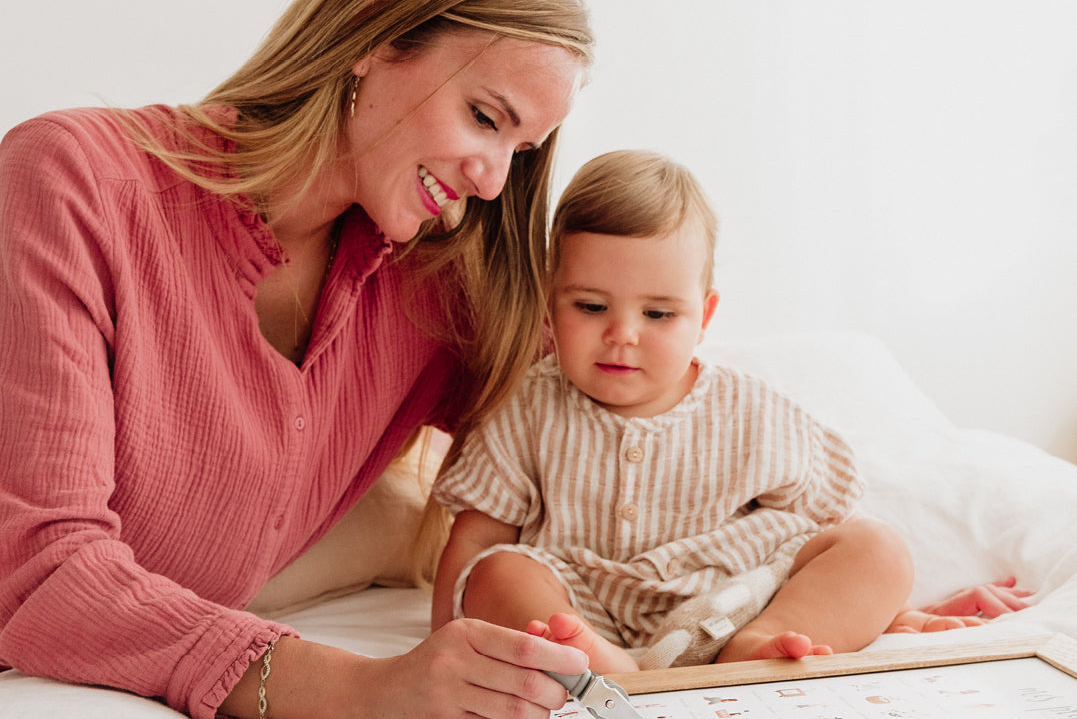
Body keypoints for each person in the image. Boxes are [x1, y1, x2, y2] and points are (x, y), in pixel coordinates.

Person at [0, 0, 597, 719]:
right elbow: (42, 576)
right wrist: (357, 694)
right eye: (485, 118)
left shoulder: (432, 293)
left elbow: (621, 418)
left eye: (520, 152)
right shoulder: (77, 179)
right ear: (376, 34)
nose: (492, 181)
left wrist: (769, 600)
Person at [430, 150, 1031, 674]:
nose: (622, 335)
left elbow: (822, 534)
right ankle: (604, 667)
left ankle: (761, 649)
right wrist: (438, 646)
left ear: (705, 317)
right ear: (549, 304)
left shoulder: (753, 413)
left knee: (878, 546)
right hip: (584, 616)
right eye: (590, 306)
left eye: (658, 315)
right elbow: (474, 543)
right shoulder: (527, 408)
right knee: (497, 573)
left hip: (732, 608)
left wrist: (891, 611)